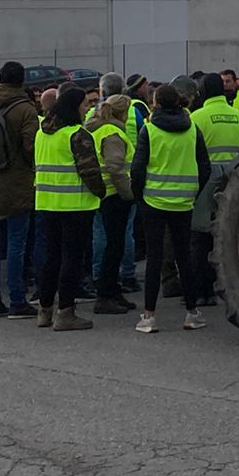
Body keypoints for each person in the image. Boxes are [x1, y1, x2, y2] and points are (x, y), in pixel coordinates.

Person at [131, 80, 210, 333]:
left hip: (153, 201)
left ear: (155, 104)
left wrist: (139, 195)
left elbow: (137, 169)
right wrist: (193, 191)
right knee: (184, 257)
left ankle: (149, 316)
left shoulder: (149, 130)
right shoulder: (192, 129)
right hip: (184, 202)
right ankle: (192, 312)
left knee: (154, 259)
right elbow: (204, 167)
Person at [33, 84, 106, 332]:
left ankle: (44, 310)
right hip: (75, 204)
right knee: (72, 259)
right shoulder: (78, 134)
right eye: (85, 104)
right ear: (75, 107)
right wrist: (101, 192)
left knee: (51, 258)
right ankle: (66, 312)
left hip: (47, 202)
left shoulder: (42, 132)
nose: (88, 109)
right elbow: (90, 171)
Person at [0, 61, 40, 318]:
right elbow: (31, 147)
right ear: (22, 80)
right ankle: (17, 300)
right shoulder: (25, 109)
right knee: (17, 242)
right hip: (18, 182)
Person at [188, 74, 239, 308]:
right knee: (228, 233)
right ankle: (222, 287)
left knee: (199, 236)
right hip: (235, 177)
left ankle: (201, 290)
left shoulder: (197, 118)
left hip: (205, 180)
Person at [87, 83, 138, 314]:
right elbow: (116, 168)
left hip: (103, 194)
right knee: (114, 246)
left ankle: (112, 290)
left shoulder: (100, 129)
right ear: (122, 112)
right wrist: (129, 194)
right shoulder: (113, 133)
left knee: (110, 244)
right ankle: (106, 294)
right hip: (114, 196)